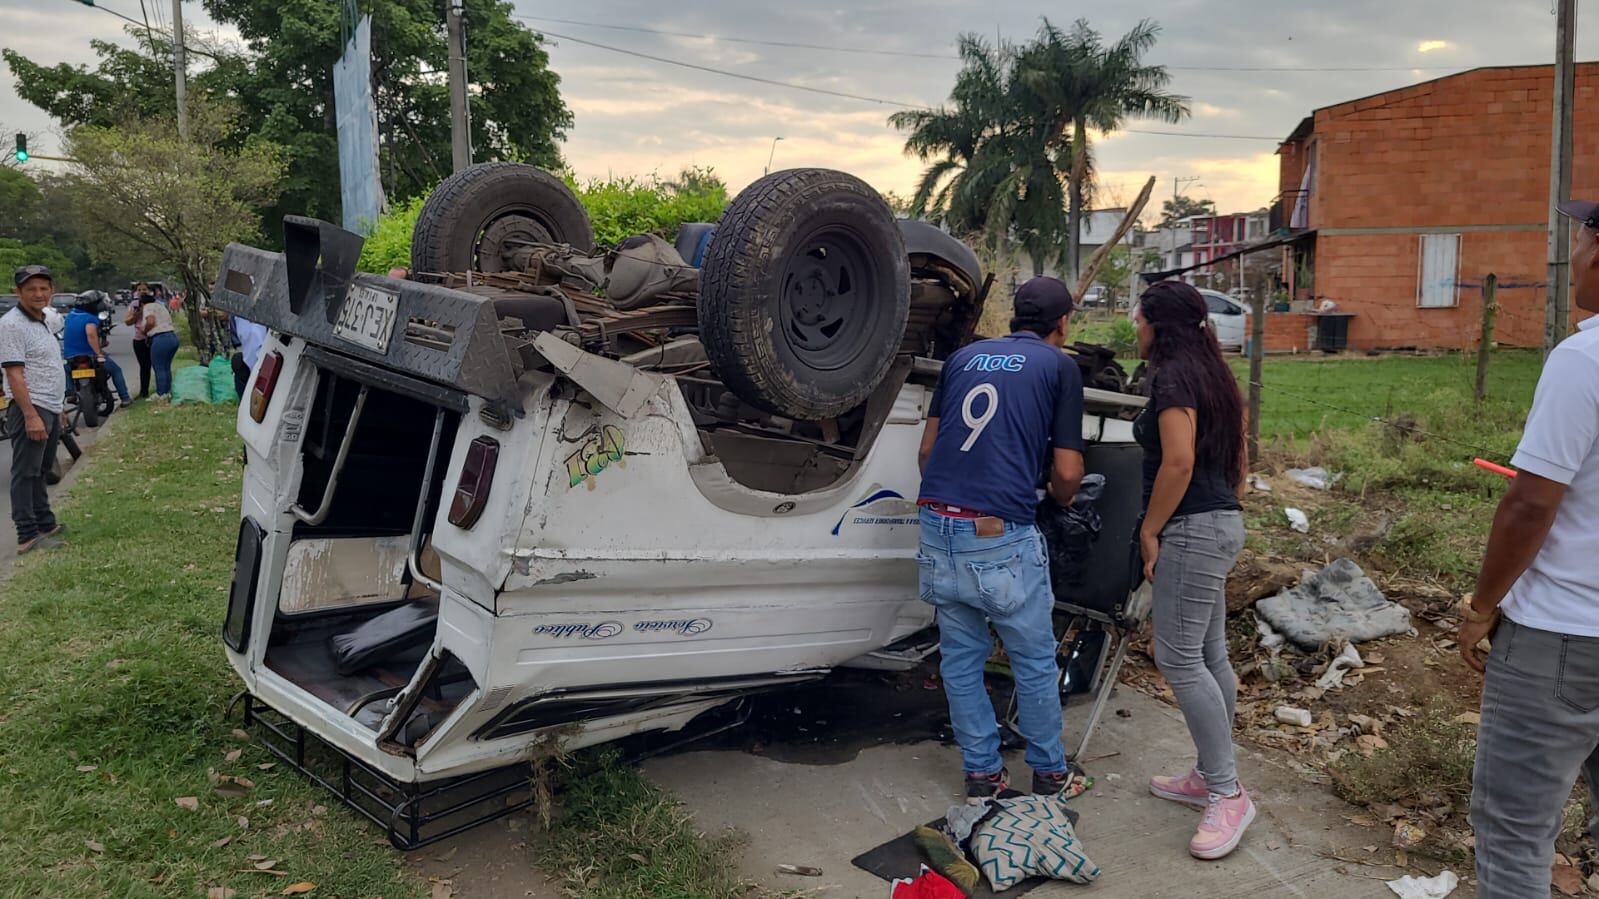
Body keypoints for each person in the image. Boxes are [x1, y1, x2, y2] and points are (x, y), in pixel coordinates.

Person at [1463, 199, 1599, 897]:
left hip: (1562, 637)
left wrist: (1481, 603)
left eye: (1577, 240)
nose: (1571, 256)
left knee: (1515, 834)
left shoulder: (1583, 358)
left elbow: (1529, 502)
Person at [916, 276, 1085, 800]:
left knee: (960, 658)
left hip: (937, 524)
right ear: (1061, 324)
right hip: (999, 533)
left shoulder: (963, 359)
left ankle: (982, 774)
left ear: (1015, 317)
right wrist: (1059, 496)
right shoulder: (1059, 365)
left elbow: (927, 452)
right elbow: (1068, 472)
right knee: (1032, 658)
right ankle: (1051, 773)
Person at [1132, 280, 1253, 860]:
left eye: (1138, 317)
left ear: (1159, 325)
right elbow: (1241, 456)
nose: (1134, 326)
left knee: (1177, 658)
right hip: (1222, 521)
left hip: (1192, 528)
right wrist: (1226, 498)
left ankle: (1227, 792)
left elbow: (1178, 462)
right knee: (1209, 655)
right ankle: (1209, 775)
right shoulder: (1215, 374)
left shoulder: (1174, 376)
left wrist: (1150, 528)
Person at [1, 265, 68, 554]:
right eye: (31, 289)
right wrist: (30, 415)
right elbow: (15, 374)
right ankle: (27, 535)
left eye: (43, 288)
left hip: (49, 406)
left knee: (41, 470)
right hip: (31, 407)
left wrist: (59, 407)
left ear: (51, 291)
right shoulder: (11, 324)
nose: (38, 294)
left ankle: (45, 523)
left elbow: (49, 365)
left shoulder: (44, 320)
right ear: (19, 293)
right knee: (26, 473)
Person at [62, 293, 130, 406]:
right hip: (90, 355)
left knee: (67, 370)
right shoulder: (90, 318)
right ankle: (125, 398)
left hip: (71, 356)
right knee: (116, 370)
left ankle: (70, 393)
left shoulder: (70, 315)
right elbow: (91, 335)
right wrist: (99, 353)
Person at [142, 291, 180, 398]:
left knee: (159, 367)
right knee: (166, 367)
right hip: (172, 336)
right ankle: (167, 391)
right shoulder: (161, 306)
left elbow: (150, 321)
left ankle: (161, 393)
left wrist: (145, 332)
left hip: (160, 338)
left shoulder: (147, 307)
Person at [126, 283, 153, 399]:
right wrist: (137, 314)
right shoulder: (134, 305)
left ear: (149, 291)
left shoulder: (154, 304)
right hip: (139, 339)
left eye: (144, 289)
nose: (142, 291)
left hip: (153, 338)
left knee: (157, 365)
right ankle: (144, 391)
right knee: (144, 366)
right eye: (139, 289)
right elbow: (127, 322)